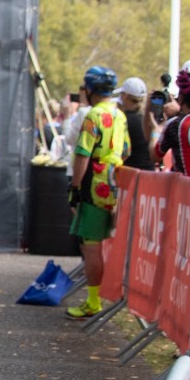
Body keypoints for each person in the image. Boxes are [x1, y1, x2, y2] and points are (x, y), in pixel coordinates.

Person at [66, 66, 129, 319]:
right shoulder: (119, 114)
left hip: (93, 184)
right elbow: (125, 150)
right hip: (113, 182)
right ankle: (95, 299)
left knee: (90, 246)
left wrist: (76, 187)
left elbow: (82, 153)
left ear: (90, 90)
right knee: (99, 244)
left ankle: (93, 302)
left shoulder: (93, 115)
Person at [114, 77, 154, 170]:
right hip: (150, 174)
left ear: (125, 96)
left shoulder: (123, 120)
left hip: (129, 175)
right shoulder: (148, 119)